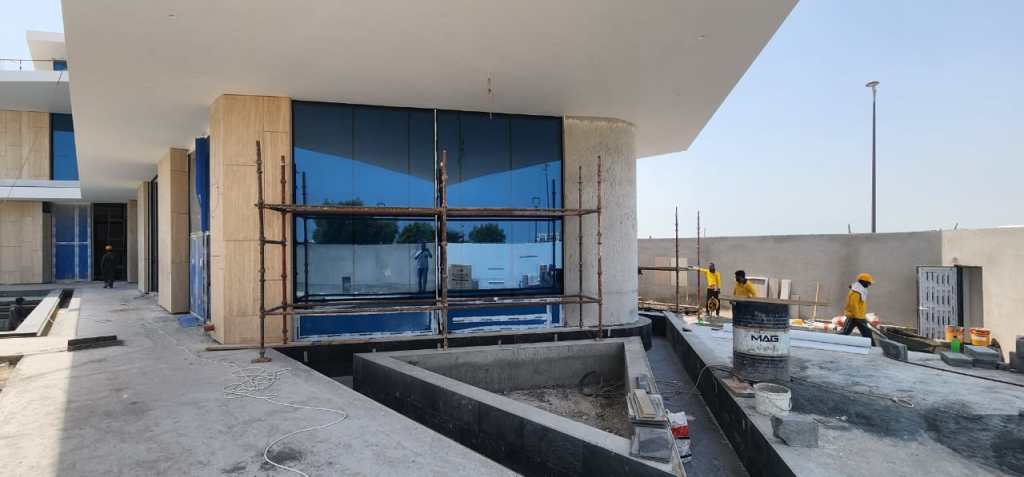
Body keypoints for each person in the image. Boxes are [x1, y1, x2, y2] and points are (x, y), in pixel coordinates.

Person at [841, 273, 874, 342]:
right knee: (844, 333)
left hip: (860, 317)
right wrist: (857, 316)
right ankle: (831, 340)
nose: (869, 285)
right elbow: (853, 305)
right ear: (863, 282)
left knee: (868, 334)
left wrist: (862, 316)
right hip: (853, 317)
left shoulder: (860, 290)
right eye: (868, 283)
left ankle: (873, 346)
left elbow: (859, 305)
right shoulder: (856, 292)